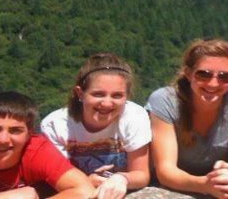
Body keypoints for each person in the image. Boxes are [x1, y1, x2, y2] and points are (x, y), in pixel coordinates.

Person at [146, 39, 228, 199]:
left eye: (224, 77)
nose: (213, 83)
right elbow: (166, 171)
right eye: (203, 74)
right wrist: (204, 185)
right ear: (188, 73)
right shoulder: (165, 101)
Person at [41, 53, 151, 199]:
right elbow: (57, 179)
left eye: (117, 95)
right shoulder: (55, 125)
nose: (106, 103)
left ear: (127, 96)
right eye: (98, 94)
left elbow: (141, 174)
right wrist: (85, 181)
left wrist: (122, 178)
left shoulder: (134, 116)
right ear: (80, 93)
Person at [0, 91, 94, 199]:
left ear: (29, 135)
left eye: (15, 131)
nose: (3, 139)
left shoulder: (37, 151)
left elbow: (84, 190)